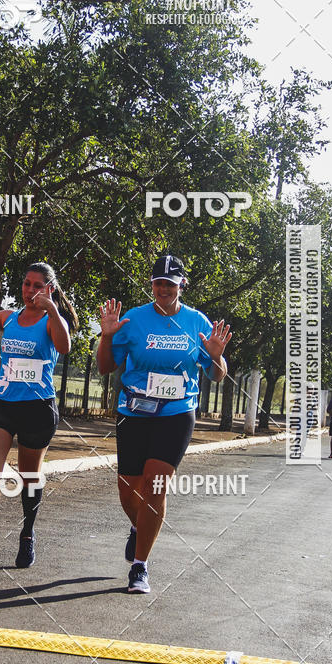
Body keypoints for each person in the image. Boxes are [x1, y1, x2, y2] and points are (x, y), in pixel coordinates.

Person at [97, 254, 232, 594]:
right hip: (134, 411)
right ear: (152, 284)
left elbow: (216, 376)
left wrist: (216, 355)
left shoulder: (196, 322)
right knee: (128, 491)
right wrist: (107, 336)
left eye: (170, 284)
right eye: (158, 283)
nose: (163, 289)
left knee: (155, 485)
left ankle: (140, 567)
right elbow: (104, 367)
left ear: (181, 286)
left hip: (176, 413)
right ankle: (139, 528)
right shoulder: (134, 320)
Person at [0, 262, 78, 570]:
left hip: (37, 407)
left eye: (37, 286)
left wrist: (51, 310)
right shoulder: (7, 318)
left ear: (49, 289)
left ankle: (27, 534)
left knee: (29, 477)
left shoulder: (52, 321)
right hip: (2, 402)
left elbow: (64, 346)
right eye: (26, 284)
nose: (30, 291)